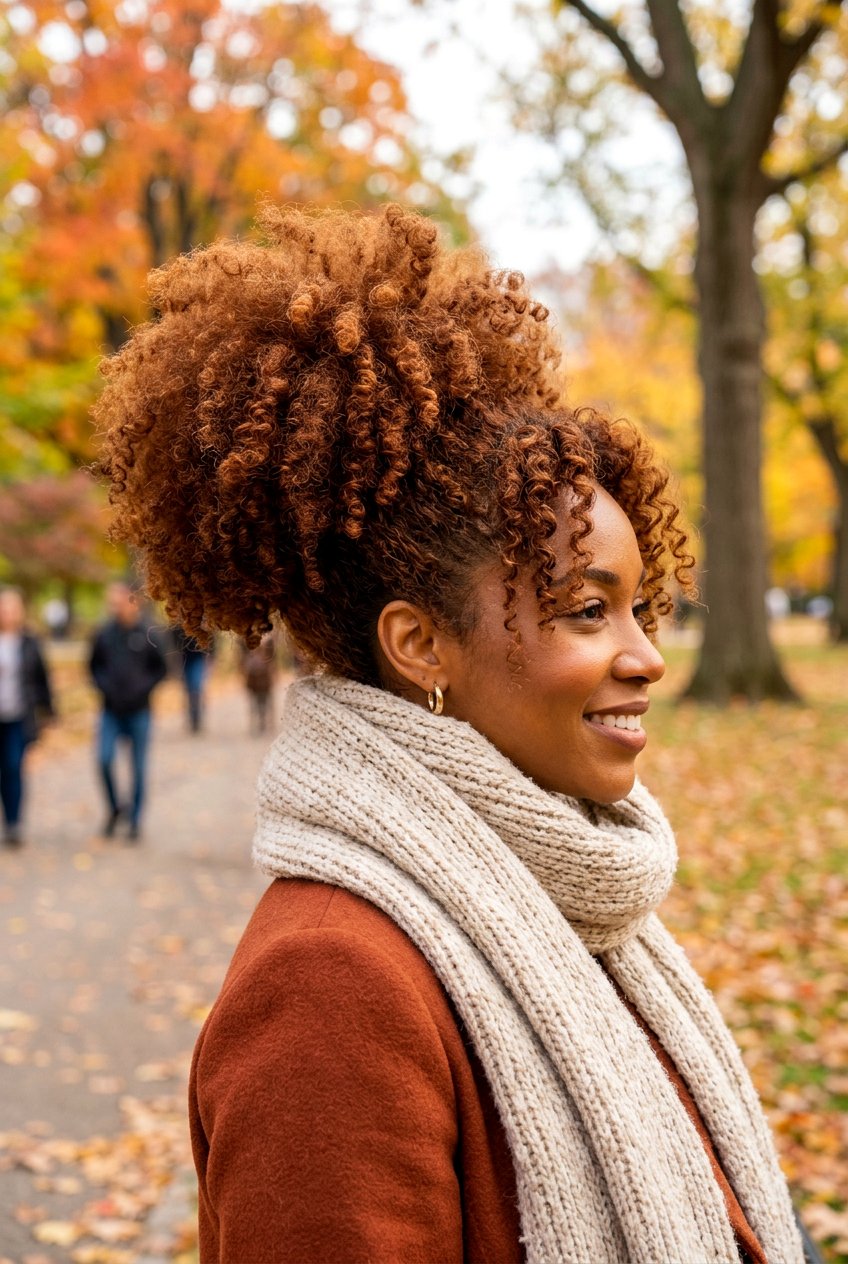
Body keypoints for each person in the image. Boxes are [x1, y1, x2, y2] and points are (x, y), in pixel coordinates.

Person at [94, 204, 806, 1262]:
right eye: (583, 609)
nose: (646, 656)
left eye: (640, 608)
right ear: (418, 645)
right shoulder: (330, 987)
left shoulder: (569, 903)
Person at [88, 582, 167, 842]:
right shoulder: (104, 634)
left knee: (138, 768)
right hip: (110, 710)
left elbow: (162, 669)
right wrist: (104, 687)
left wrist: (143, 689)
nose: (115, 607)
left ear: (134, 602)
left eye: (119, 602)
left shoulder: (148, 633)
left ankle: (134, 821)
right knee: (104, 759)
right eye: (112, 603)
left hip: (139, 712)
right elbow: (93, 666)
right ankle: (114, 808)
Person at [0, 587, 54, 847]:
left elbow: (42, 679)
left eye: (11, 608)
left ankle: (13, 823)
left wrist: (49, 712)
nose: (7, 613)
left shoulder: (29, 642)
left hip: (18, 717)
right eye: (3, 607)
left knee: (12, 767)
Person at [173, 627, 213, 734]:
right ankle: (192, 718)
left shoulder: (204, 619)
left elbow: (212, 639)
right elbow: (174, 640)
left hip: (199, 658)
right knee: (189, 690)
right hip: (184, 659)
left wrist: (212, 656)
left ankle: (197, 718)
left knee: (196, 688)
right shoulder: (177, 623)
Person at [239, 633, 277, 735]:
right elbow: (242, 656)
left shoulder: (269, 639)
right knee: (254, 700)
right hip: (252, 676)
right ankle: (255, 721)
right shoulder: (244, 637)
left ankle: (263, 721)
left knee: (264, 700)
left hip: (265, 677)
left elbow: (273, 658)